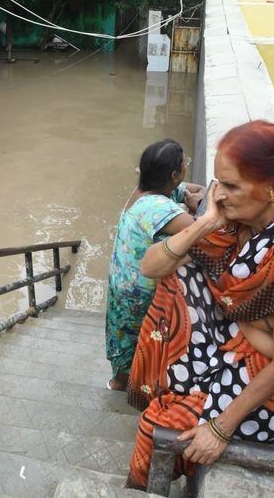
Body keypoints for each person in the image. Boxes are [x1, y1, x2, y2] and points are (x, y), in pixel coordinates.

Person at [124, 121, 274, 488]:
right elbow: (151, 266)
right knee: (177, 274)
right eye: (217, 183)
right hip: (250, 341)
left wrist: (220, 429)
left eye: (231, 186)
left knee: (159, 427)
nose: (218, 195)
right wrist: (203, 225)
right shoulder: (239, 224)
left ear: (272, 189)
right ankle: (184, 386)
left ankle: (141, 486)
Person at [105, 140, 205, 391]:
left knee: (123, 334)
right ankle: (134, 385)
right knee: (142, 336)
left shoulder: (146, 190)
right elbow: (202, 231)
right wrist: (195, 207)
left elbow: (193, 189)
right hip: (139, 290)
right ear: (173, 175)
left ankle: (119, 382)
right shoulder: (157, 207)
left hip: (122, 279)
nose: (187, 168)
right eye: (185, 164)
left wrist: (192, 196)